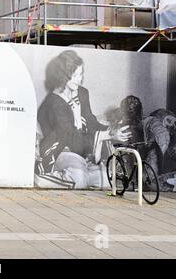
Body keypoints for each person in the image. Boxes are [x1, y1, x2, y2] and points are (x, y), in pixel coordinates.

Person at [36, 50, 131, 189]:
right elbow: (71, 138)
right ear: (63, 76)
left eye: (81, 74)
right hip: (62, 151)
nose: (79, 79)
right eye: (74, 75)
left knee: (106, 180)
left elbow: (91, 122)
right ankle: (41, 178)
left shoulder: (82, 93)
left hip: (82, 151)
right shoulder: (53, 103)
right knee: (79, 179)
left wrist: (113, 130)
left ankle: (80, 176)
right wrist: (108, 135)